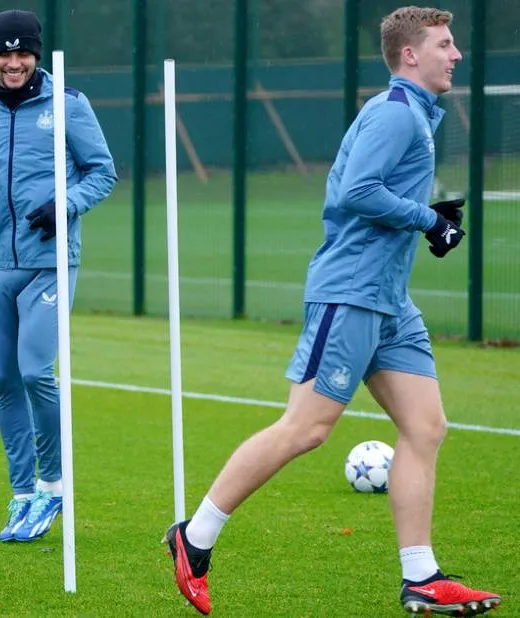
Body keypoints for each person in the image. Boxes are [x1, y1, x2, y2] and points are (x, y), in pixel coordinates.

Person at [163, 7, 501, 617]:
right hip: (351, 293)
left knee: (426, 427)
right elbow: (357, 191)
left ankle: (420, 577)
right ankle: (195, 537)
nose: (456, 55)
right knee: (307, 428)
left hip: (390, 300)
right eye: (445, 45)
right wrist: (428, 220)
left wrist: (428, 218)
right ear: (410, 55)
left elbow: (377, 190)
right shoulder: (395, 113)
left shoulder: (416, 114)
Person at [0, 9, 116, 543]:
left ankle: (53, 484)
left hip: (50, 262)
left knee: (37, 370)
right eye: (4, 53)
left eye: (23, 53)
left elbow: (102, 171)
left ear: (37, 55)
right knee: (5, 380)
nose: (13, 63)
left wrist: (67, 205)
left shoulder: (68, 104)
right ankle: (22, 494)